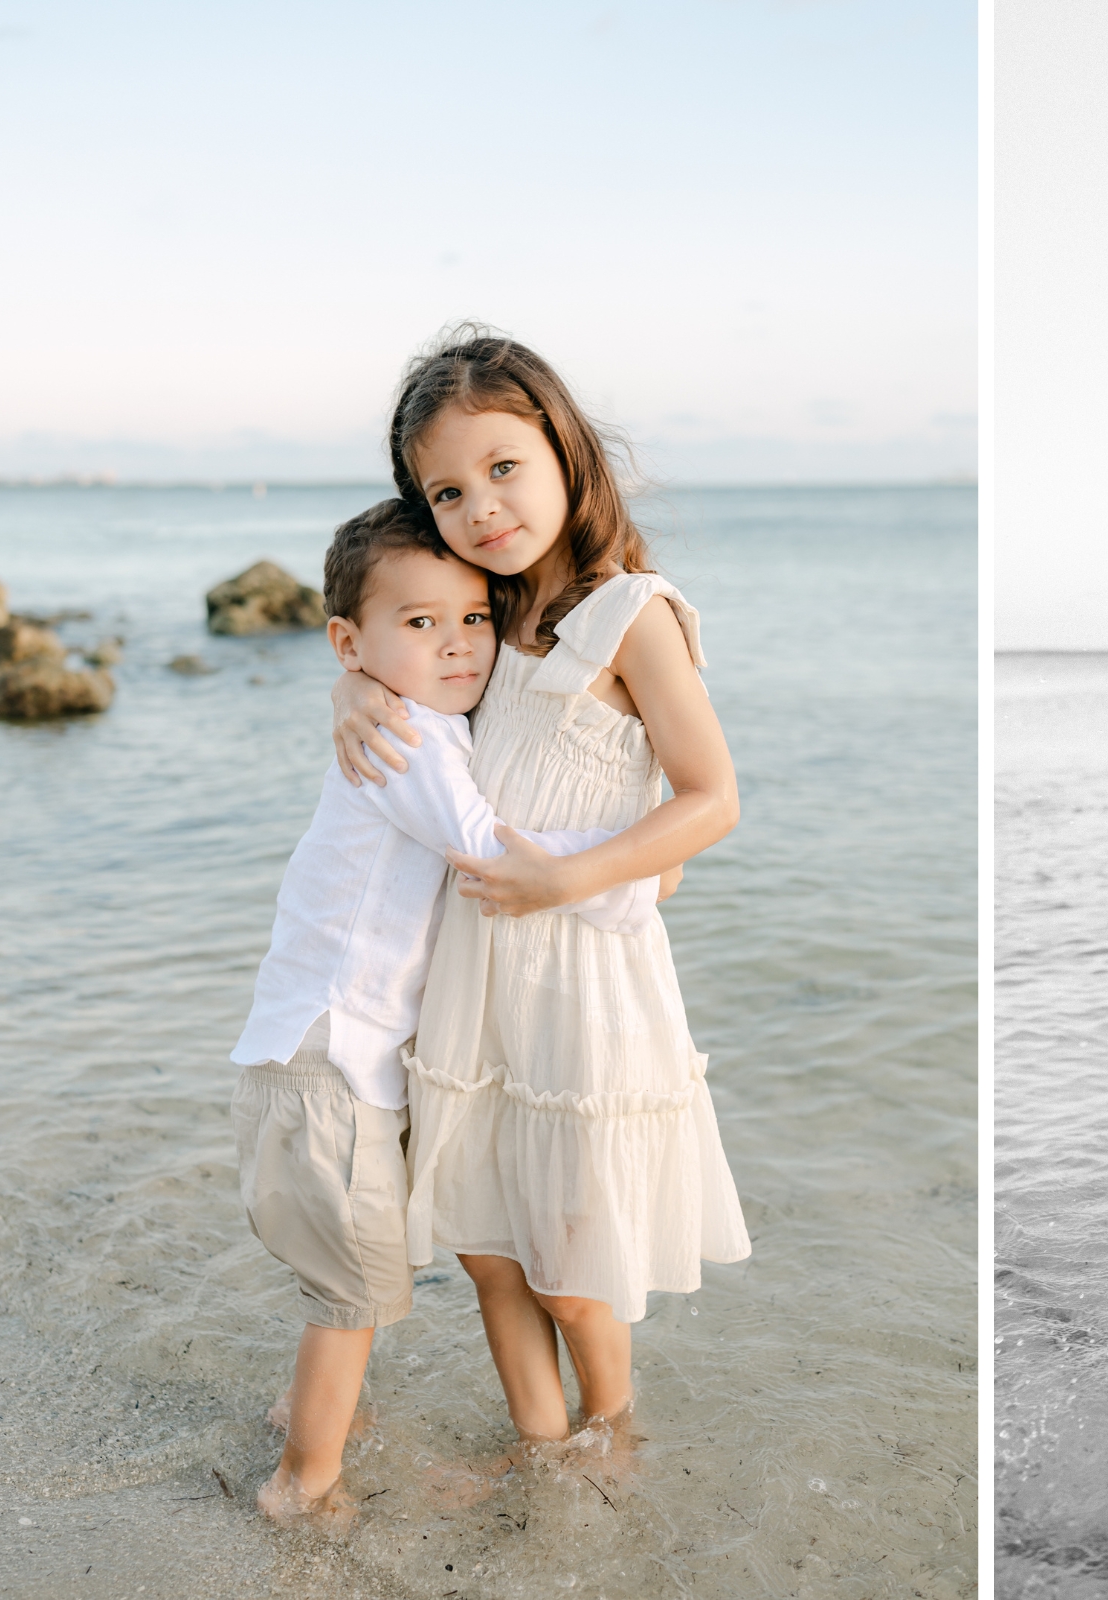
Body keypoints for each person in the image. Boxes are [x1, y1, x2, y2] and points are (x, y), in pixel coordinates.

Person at [328, 329, 751, 1464]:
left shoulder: (630, 614)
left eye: (504, 467)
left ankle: (612, 1442)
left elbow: (711, 799)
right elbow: (397, 651)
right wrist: (350, 689)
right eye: (448, 490)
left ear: (564, 449)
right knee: (485, 1243)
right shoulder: (481, 616)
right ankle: (537, 1446)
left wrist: (568, 874)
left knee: (571, 1259)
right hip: (474, 976)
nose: (482, 507)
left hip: (578, 978)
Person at [231, 500, 665, 1523]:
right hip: (326, 1060)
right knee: (356, 1297)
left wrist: (356, 674)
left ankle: (309, 1418)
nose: (460, 643)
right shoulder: (411, 739)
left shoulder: (423, 715)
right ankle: (303, 1483)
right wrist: (640, 872)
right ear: (351, 642)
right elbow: (485, 846)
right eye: (421, 625)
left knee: (356, 1278)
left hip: (326, 1059)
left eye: (473, 618)